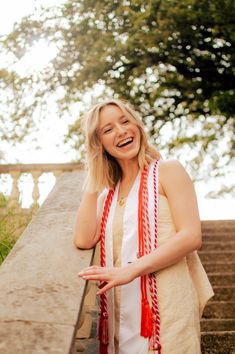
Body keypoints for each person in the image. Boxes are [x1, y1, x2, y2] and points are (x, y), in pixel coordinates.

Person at [74, 98, 214, 354]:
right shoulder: (108, 197)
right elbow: (84, 239)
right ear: (100, 144)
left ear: (137, 125)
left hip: (168, 307)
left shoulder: (168, 171)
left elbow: (191, 236)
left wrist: (131, 269)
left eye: (125, 121)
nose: (121, 131)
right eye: (108, 130)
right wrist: (94, 172)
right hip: (120, 312)